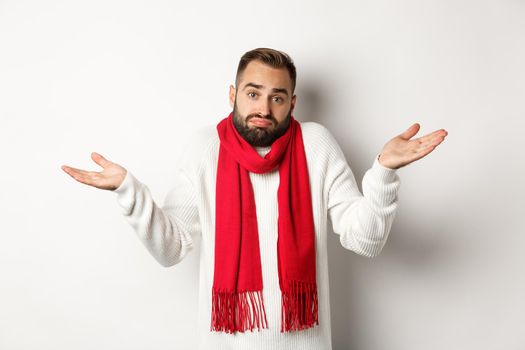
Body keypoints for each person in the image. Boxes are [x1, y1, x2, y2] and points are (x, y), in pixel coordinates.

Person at [61, 48, 448, 350]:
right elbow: (171, 248)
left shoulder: (316, 145)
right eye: (253, 93)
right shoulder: (204, 148)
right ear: (233, 94)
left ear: (292, 103)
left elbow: (364, 240)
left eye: (277, 98)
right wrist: (129, 190)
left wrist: (383, 172)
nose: (263, 108)